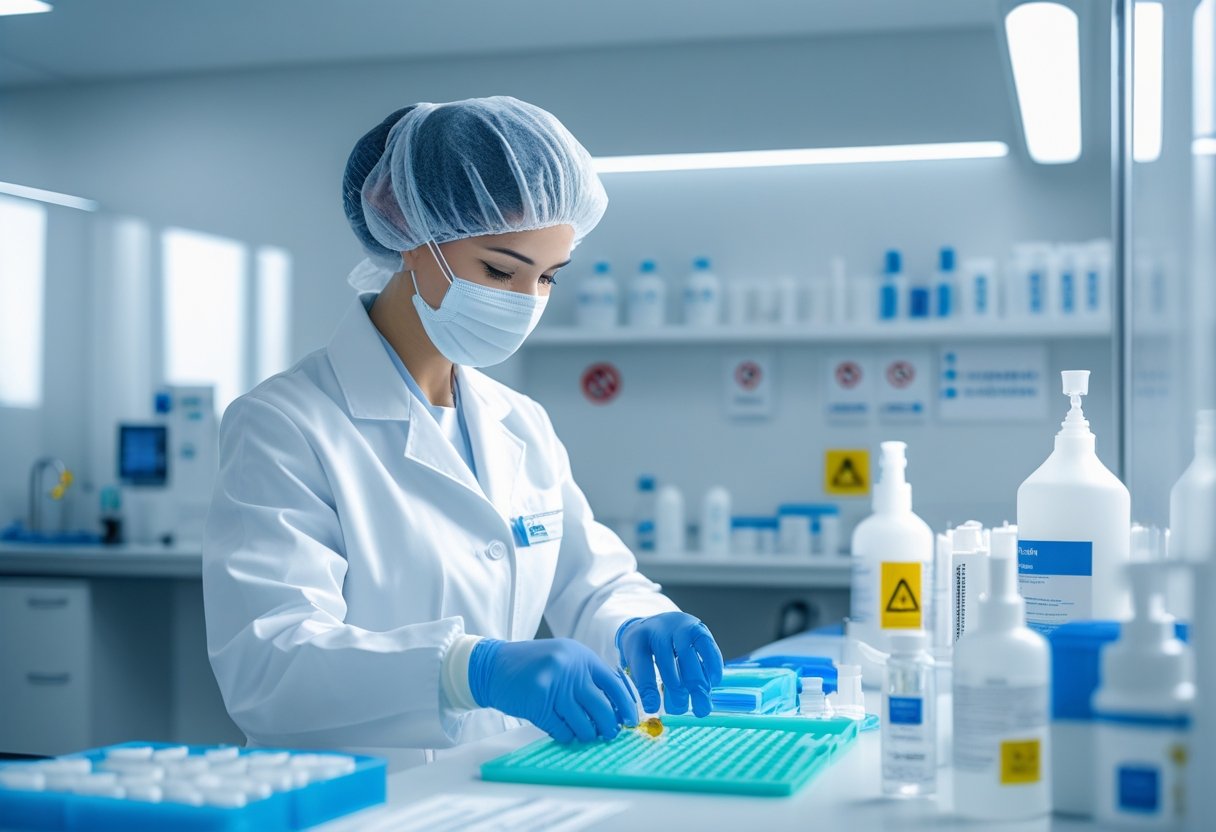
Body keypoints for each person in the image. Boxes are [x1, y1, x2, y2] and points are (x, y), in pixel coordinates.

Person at [202, 96, 724, 770]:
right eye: (500, 271)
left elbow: (586, 582)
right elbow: (268, 661)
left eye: (547, 278)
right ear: (407, 232)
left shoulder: (520, 424)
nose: (524, 302)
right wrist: (468, 669)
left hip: (487, 787)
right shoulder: (285, 424)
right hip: (347, 796)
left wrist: (635, 622)